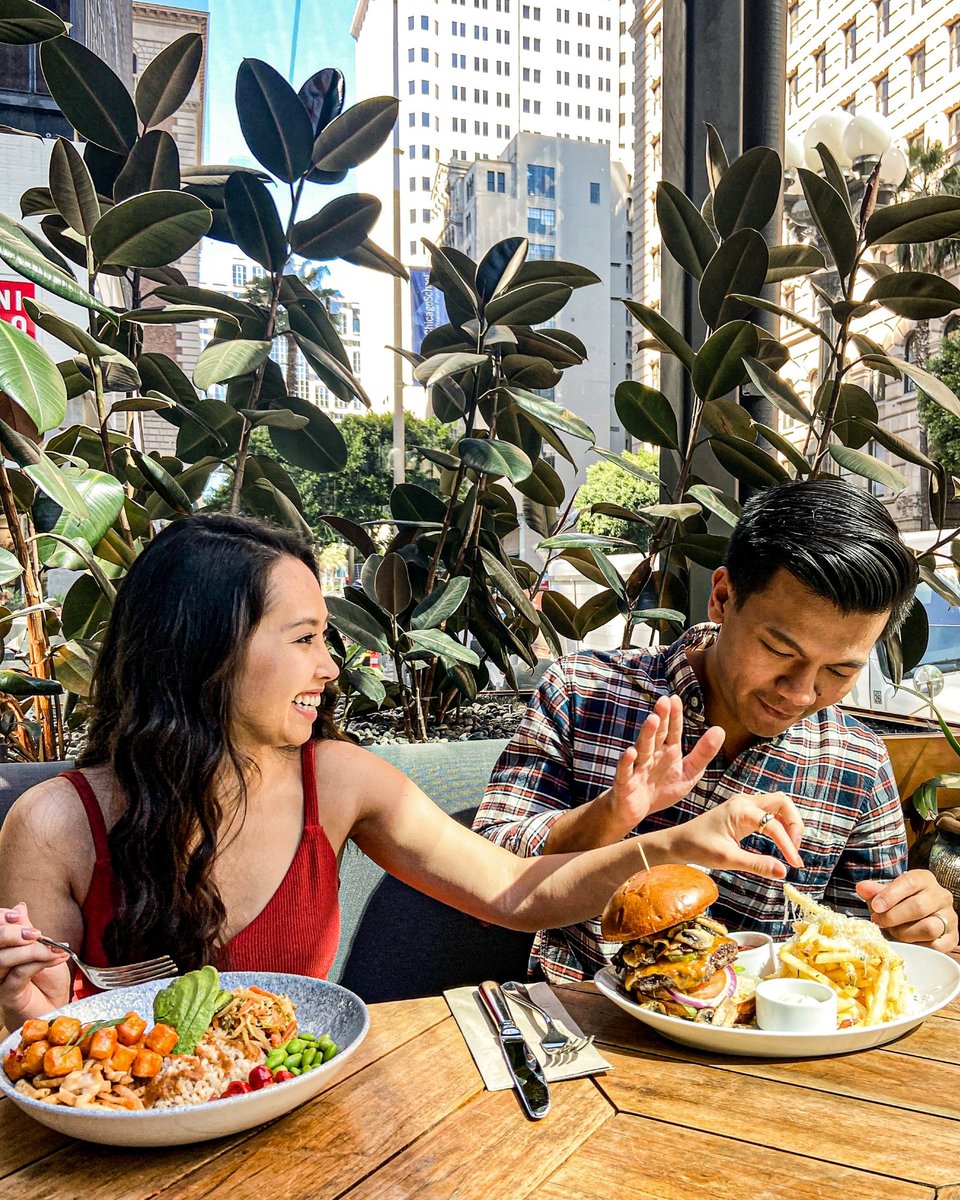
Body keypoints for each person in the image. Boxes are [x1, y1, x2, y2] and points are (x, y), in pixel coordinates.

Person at [0, 514, 805, 1031]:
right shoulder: (54, 827)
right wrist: (22, 1017)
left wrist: (676, 849)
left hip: (304, 1122)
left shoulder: (342, 782)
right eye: (306, 637)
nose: (331, 667)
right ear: (206, 649)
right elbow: (46, 1045)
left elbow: (517, 892)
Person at [474, 477, 960, 984]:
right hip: (577, 1020)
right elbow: (487, 876)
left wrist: (915, 930)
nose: (800, 693)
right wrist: (611, 815)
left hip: (759, 1047)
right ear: (724, 597)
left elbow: (865, 952)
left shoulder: (858, 762)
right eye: (780, 651)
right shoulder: (586, 691)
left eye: (839, 671)